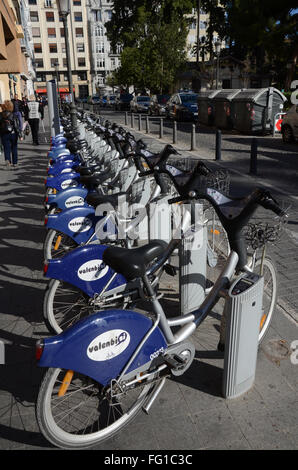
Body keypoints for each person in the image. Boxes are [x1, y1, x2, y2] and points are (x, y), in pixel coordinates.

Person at [0, 100, 22, 168]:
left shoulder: (0, 115)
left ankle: (8, 161)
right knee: (14, 147)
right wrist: (19, 134)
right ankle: (15, 162)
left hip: (4, 134)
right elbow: (16, 125)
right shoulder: (13, 114)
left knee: (6, 148)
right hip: (13, 133)